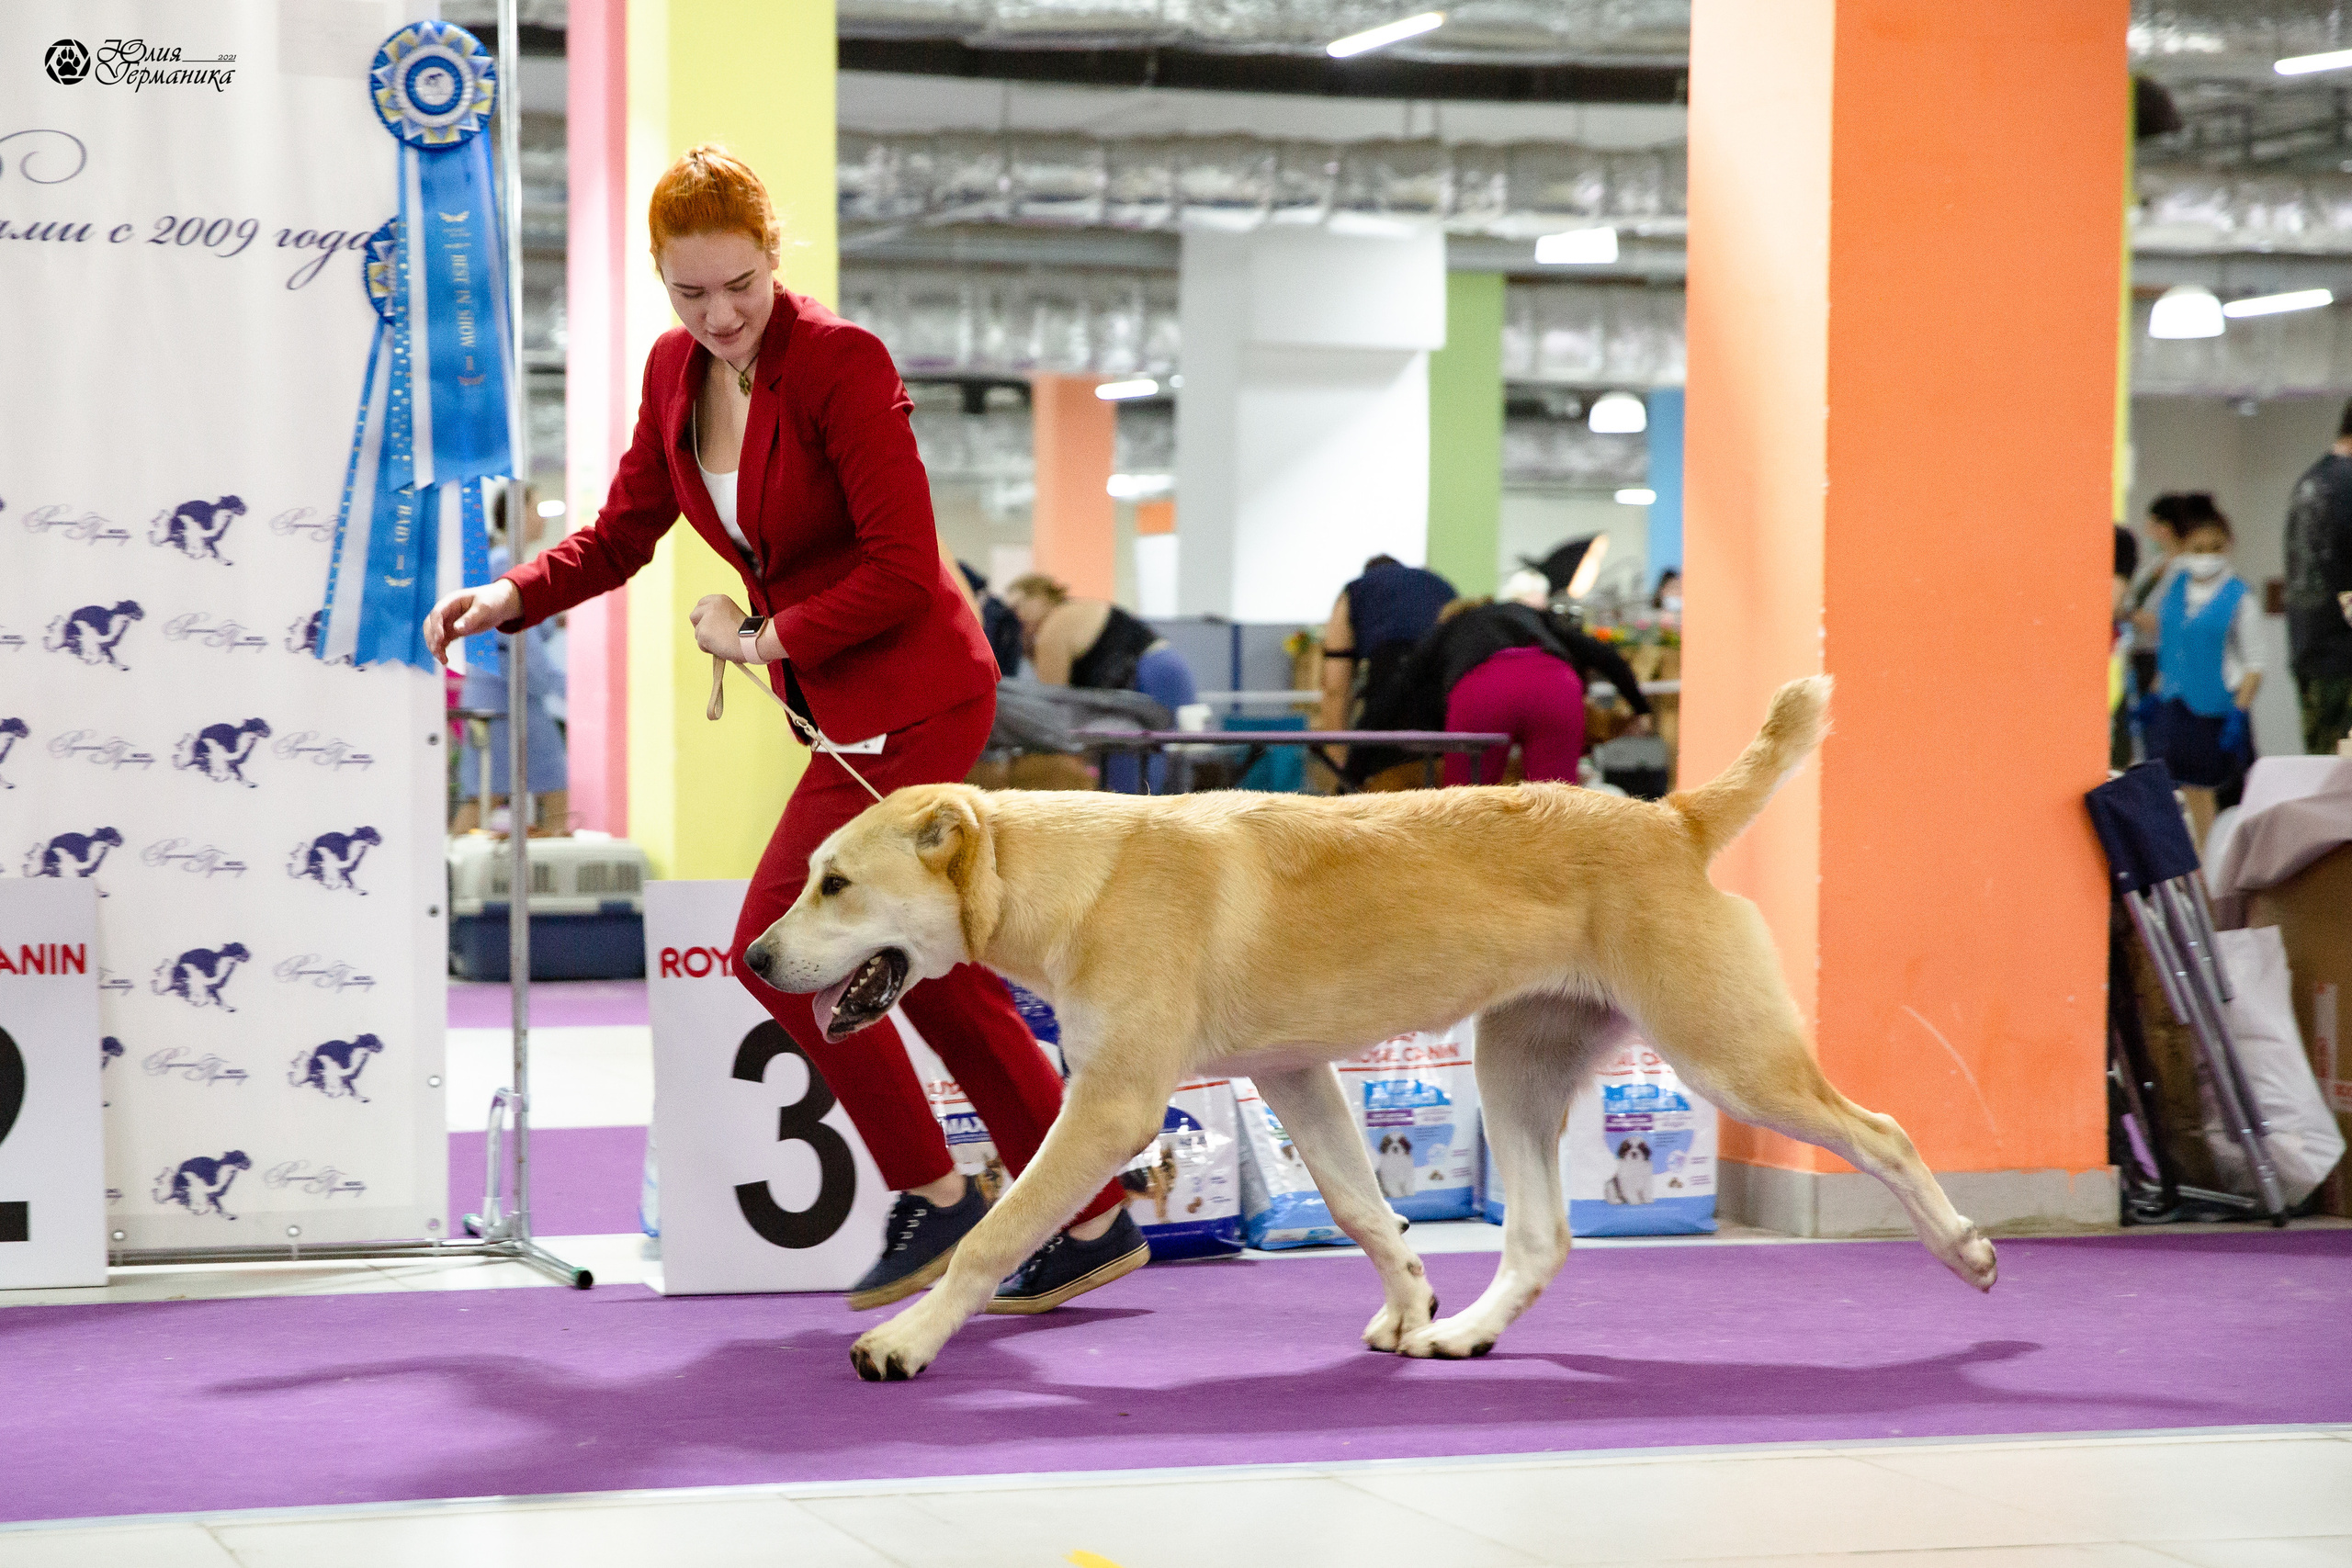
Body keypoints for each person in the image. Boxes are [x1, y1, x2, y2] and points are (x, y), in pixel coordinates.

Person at [421, 146, 1143, 1314]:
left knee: (779, 947)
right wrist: (512, 596)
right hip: (841, 710)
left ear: (774, 258)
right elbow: (621, 533)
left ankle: (936, 1196)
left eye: (740, 286)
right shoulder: (674, 372)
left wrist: (761, 641)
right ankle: (1086, 1213)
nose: (718, 316)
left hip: (915, 695)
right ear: (661, 283)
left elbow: (908, 570)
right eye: (689, 293)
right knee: (938, 967)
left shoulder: (842, 363)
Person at [1357, 596, 1654, 788]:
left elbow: (1395, 691)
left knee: (1465, 810)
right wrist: (1641, 709)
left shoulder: (1451, 627)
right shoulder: (1527, 613)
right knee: (1558, 810)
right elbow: (1603, 654)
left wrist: (1353, 770)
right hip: (1554, 683)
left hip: (1483, 689)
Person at [2134, 501, 2262, 836]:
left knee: (2217, 802)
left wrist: (2239, 712)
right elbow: (2172, 651)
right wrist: (2152, 696)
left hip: (2217, 714)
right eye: (2198, 548)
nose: (2207, 555)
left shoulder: (2239, 596)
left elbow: (2254, 664)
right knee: (2173, 798)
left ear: (2228, 545)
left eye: (2215, 548)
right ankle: (2189, 878)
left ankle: (2216, 876)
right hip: (2174, 709)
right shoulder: (2173, 591)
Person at [1002, 573, 1196, 791]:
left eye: (1018, 606)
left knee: (1141, 774)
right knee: (1169, 763)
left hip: (1150, 676)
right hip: (1167, 666)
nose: (1015, 617)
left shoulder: (1053, 628)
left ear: (1040, 598)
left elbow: (1052, 701)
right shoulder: (1075, 610)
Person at [1317, 554, 1457, 734]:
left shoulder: (1357, 589)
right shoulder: (1438, 584)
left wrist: (1336, 751)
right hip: (1450, 682)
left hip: (1393, 670)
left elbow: (1335, 686)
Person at [2284, 399, 2352, 754]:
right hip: (2343, 660)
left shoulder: (2313, 481)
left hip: (2313, 654)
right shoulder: (2347, 485)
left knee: (2330, 784)